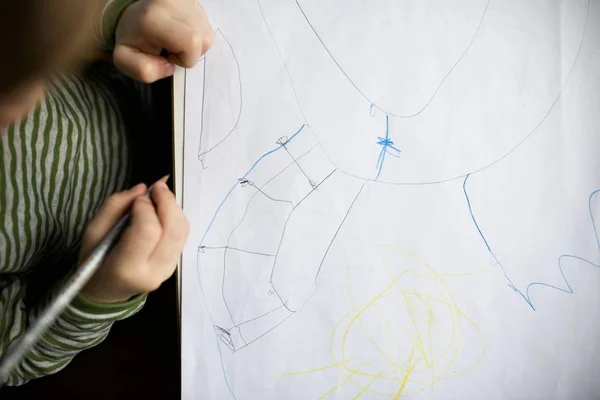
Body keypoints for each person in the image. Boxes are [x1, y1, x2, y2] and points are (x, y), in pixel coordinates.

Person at [0, 0, 213, 385]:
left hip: (154, 75)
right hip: (139, 257)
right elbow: (16, 358)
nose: (36, 97)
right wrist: (101, 290)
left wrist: (116, 18)